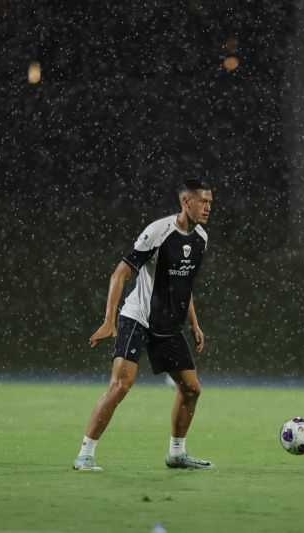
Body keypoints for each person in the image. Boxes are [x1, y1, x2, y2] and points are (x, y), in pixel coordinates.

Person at [73, 178, 214, 471]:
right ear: (185, 202)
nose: (208, 207)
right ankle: (85, 454)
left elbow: (184, 286)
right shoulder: (158, 232)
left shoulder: (201, 238)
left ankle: (177, 453)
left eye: (210, 202)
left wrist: (195, 325)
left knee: (191, 389)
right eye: (203, 201)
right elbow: (119, 275)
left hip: (168, 326)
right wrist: (109, 321)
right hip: (138, 318)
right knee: (121, 386)